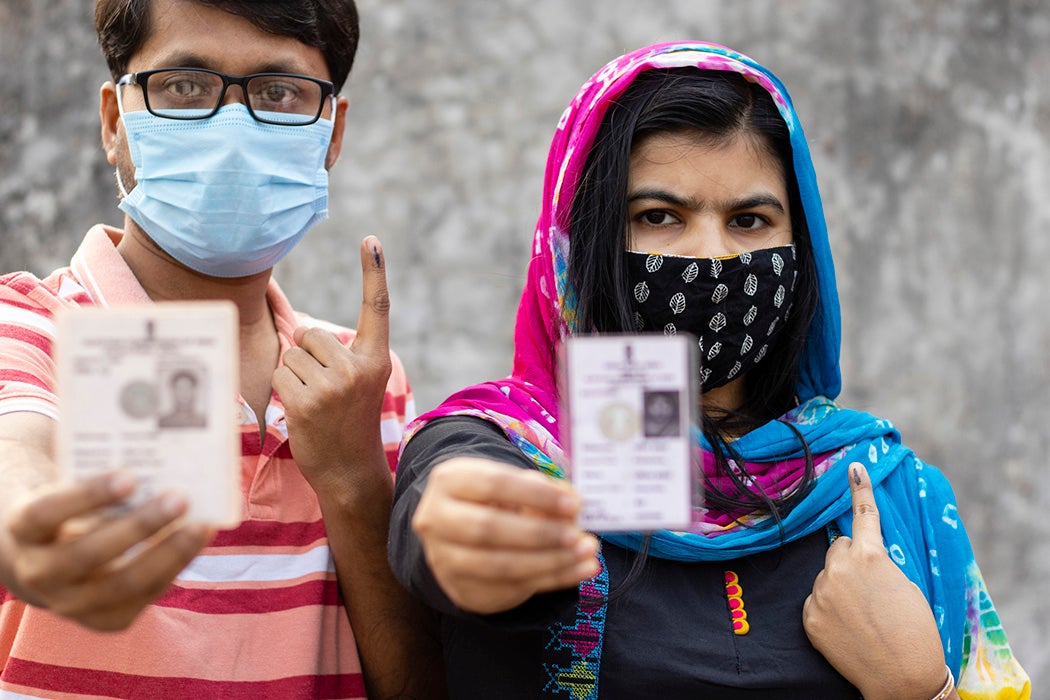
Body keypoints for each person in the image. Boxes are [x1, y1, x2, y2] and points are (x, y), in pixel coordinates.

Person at [388, 42, 1031, 699]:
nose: (712, 257)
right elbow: (446, 514)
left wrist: (921, 687)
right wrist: (460, 532)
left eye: (749, 220)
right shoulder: (505, 451)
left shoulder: (885, 491)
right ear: (582, 240)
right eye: (659, 217)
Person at [0, 1, 443, 697]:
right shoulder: (32, 328)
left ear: (332, 133)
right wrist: (29, 530)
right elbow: (17, 454)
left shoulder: (364, 381)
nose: (231, 129)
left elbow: (413, 681)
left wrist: (355, 479)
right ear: (116, 123)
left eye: (278, 92)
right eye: (185, 86)